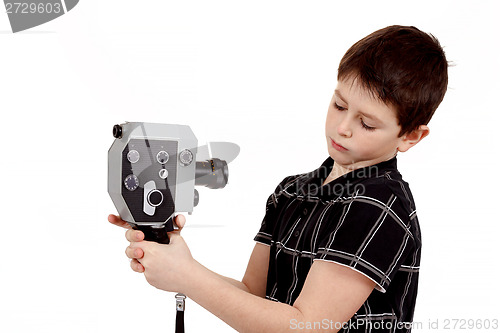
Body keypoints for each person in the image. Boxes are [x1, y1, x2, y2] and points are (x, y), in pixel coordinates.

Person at [108, 25, 448, 332]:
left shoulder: (377, 205)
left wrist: (188, 278)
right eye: (340, 105)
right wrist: (180, 262)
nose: (343, 128)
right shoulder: (292, 191)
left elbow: (306, 327)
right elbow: (253, 298)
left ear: (411, 137)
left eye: (368, 124)